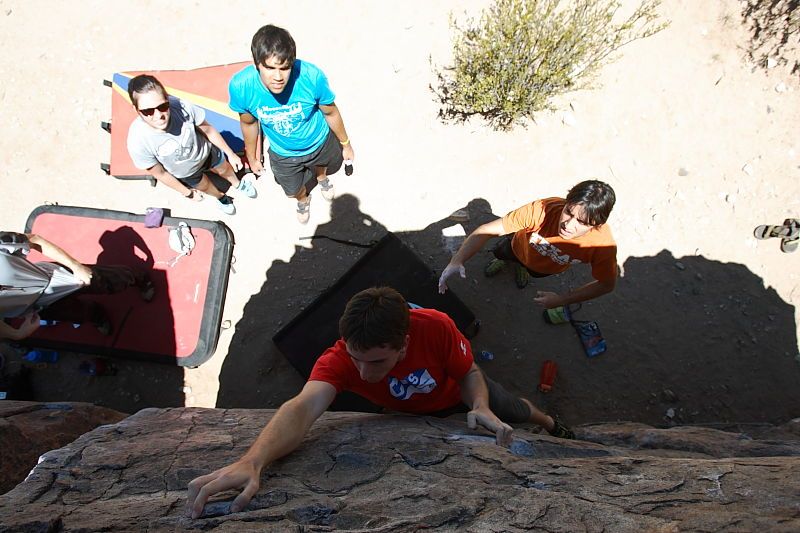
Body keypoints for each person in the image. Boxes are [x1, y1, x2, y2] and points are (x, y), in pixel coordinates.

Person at [186, 287, 573, 518]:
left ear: (404, 342)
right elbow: (302, 407)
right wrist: (253, 460)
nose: (364, 373)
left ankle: (553, 424)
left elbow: (469, 372)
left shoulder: (435, 326)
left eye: (377, 362)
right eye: (356, 358)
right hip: (406, 412)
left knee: (517, 409)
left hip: (459, 398)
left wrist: (481, 406)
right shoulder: (339, 361)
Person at [228, 24, 355, 224]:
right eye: (270, 68)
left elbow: (330, 111)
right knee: (292, 190)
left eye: (284, 68)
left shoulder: (311, 77)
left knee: (322, 167)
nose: (278, 77)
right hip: (283, 153)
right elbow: (249, 123)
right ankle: (303, 199)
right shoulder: (241, 87)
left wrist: (346, 144)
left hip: (319, 141)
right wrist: (252, 157)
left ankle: (321, 178)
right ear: (256, 64)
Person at [438, 180, 617, 312]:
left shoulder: (602, 246)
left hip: (545, 268)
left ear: (597, 225)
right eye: (568, 212)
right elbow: (487, 230)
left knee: (533, 271)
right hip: (516, 247)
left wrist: (561, 300)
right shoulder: (542, 209)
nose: (568, 226)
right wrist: (457, 260)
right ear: (565, 202)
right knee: (502, 252)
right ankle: (513, 263)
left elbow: (606, 285)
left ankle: (522, 268)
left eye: (582, 222)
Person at [126, 75, 256, 216]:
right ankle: (221, 197)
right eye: (148, 111)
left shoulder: (182, 108)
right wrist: (187, 193)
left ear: (167, 99)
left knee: (225, 169)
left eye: (163, 106)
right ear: (136, 109)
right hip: (186, 172)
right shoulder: (137, 141)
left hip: (206, 153)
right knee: (205, 186)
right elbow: (160, 173)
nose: (158, 115)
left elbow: (208, 130)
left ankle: (238, 184)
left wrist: (230, 154)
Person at [0, 231, 153, 340]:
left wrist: (75, 266)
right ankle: (97, 315)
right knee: (78, 314)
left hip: (52, 277)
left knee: (108, 281)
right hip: (35, 308)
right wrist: (16, 334)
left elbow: (34, 240)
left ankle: (140, 279)